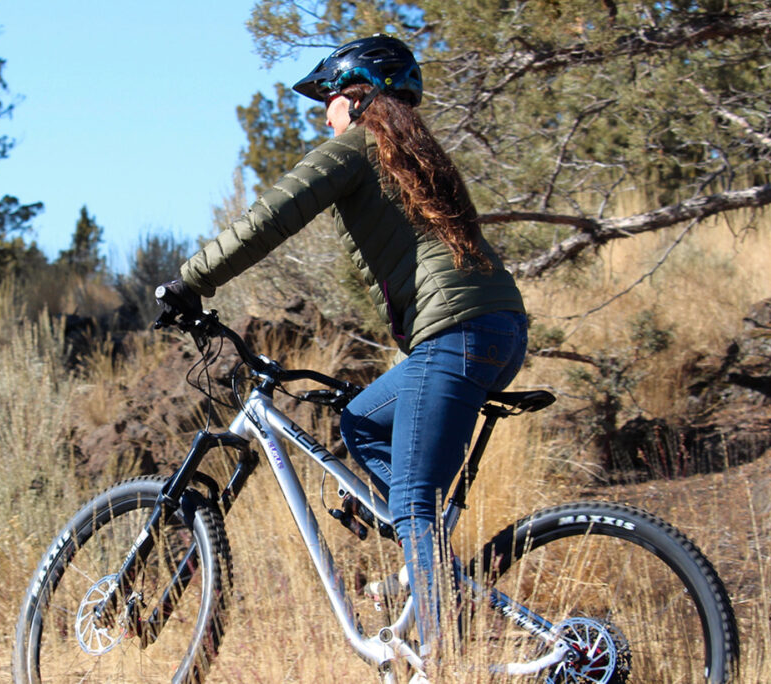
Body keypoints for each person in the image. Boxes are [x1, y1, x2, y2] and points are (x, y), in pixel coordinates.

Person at [162, 35, 527, 677]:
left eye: (329, 99)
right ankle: (426, 563)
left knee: (412, 502)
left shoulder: (357, 147)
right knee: (360, 419)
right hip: (498, 331)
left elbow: (273, 216)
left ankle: (447, 660)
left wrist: (191, 280)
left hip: (456, 336)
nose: (323, 113)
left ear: (358, 98)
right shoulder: (417, 156)